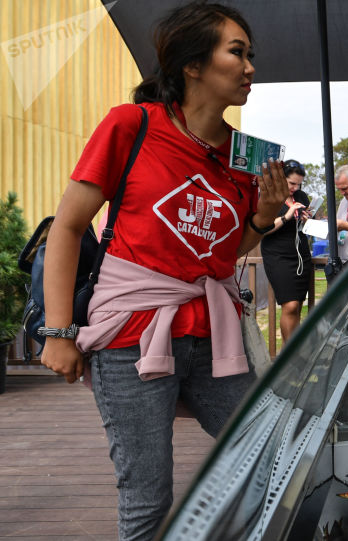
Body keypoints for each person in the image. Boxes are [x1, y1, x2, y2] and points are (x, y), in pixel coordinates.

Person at [38, 3, 287, 539]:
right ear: (192, 65)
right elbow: (66, 227)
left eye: (251, 56)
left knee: (273, 453)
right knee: (148, 496)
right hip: (131, 335)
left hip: (214, 335)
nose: (250, 68)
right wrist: (59, 332)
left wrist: (264, 217)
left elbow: (225, 250)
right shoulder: (132, 125)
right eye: (237, 53)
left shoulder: (249, 154)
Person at [260, 159, 313, 343]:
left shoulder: (302, 196)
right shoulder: (269, 197)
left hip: (301, 255)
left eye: (299, 184)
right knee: (289, 305)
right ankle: (290, 356)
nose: (295, 188)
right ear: (281, 178)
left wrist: (306, 219)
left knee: (297, 305)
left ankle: (292, 350)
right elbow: (263, 228)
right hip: (278, 255)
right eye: (292, 183)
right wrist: (286, 216)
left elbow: (304, 227)